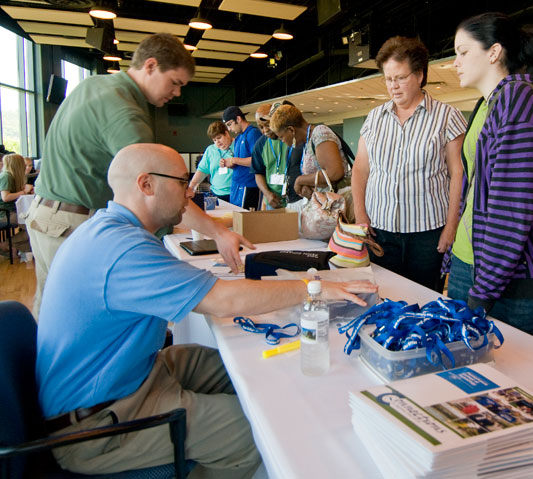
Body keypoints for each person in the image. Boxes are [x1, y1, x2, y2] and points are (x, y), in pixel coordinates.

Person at [36, 143, 377, 476]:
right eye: (183, 182)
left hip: (127, 379)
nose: (190, 192)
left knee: (249, 371)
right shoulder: (123, 249)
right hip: (97, 424)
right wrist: (312, 289)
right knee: (255, 431)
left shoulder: (111, 231)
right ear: (146, 184)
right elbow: (222, 300)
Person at [26, 34, 250, 317]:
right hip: (70, 224)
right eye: (175, 83)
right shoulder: (125, 113)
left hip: (46, 217)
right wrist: (218, 232)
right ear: (151, 66)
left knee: (49, 315)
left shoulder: (96, 84)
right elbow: (161, 193)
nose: (178, 93)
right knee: (78, 317)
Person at [446, 12, 533, 349]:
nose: (454, 63)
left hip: (515, 286)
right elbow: (477, 189)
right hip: (473, 267)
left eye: (462, 52)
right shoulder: (489, 102)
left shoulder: (519, 98)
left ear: (494, 52)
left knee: (523, 396)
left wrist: (482, 294)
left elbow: (510, 208)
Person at [351, 36, 466, 291]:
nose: (393, 86)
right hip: (379, 231)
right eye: (389, 79)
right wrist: (361, 216)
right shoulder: (374, 118)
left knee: (425, 300)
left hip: (427, 235)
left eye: (400, 78)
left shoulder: (447, 117)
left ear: (420, 75)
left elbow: (457, 174)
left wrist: (451, 227)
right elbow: (360, 169)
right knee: (384, 297)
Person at [269, 104, 351, 206]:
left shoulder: (320, 133)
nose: (282, 141)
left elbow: (334, 173)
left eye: (281, 137)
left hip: (337, 205)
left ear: (291, 130)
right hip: (326, 204)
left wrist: (300, 180)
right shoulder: (308, 141)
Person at [220, 106, 262, 210]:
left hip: (248, 186)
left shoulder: (253, 133)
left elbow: (257, 160)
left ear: (238, 119)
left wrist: (234, 160)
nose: (229, 129)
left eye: (230, 124)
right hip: (236, 185)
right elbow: (241, 161)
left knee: (246, 222)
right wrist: (230, 164)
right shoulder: (239, 138)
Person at [251, 103, 289, 209]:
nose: (265, 130)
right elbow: (258, 173)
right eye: (260, 127)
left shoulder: (290, 139)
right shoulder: (260, 144)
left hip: (294, 200)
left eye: (267, 125)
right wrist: (267, 194)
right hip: (273, 201)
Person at [188, 121, 234, 201]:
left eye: (219, 138)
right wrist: (191, 187)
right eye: (214, 140)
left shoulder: (238, 146)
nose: (218, 142)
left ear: (226, 133)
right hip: (216, 193)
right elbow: (202, 171)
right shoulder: (211, 150)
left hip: (235, 193)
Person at [0, 153, 34, 258]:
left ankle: (10, 246)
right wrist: (24, 192)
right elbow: (5, 197)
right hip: (5, 214)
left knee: (32, 225)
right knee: (32, 226)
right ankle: (5, 245)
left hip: (12, 212)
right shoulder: (6, 176)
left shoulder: (10, 176)